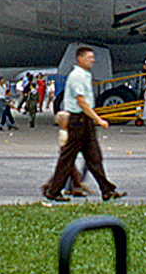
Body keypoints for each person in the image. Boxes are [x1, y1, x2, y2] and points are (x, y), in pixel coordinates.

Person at [42, 46, 124, 202]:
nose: (92, 60)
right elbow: (81, 102)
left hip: (85, 120)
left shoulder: (86, 75)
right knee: (68, 159)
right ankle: (53, 191)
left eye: (93, 58)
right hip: (78, 120)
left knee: (95, 157)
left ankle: (107, 190)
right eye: (89, 58)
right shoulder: (77, 76)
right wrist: (98, 119)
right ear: (80, 59)